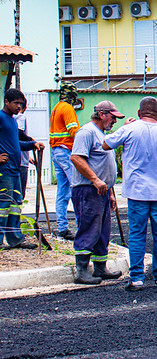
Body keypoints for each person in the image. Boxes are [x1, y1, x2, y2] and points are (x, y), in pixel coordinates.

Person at [103, 97, 157, 291]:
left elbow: (106, 144)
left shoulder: (129, 129)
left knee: (137, 234)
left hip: (137, 193)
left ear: (139, 113)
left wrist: (125, 126)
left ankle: (137, 278)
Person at [70, 101, 125, 285]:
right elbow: (77, 158)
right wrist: (95, 179)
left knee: (102, 231)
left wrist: (110, 192)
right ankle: (82, 271)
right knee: (89, 228)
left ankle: (101, 267)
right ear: (102, 114)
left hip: (101, 191)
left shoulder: (101, 134)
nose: (114, 121)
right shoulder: (86, 132)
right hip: (87, 189)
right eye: (113, 117)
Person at [0, 89, 45, 249]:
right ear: (6, 102)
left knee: (15, 205)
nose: (19, 106)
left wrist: (32, 144)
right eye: (16, 103)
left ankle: (15, 239)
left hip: (15, 169)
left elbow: (14, 144)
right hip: (4, 170)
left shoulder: (12, 120)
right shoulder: (1, 117)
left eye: (21, 104)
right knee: (3, 206)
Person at [49, 81, 80, 240]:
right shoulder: (67, 108)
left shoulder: (56, 108)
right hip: (67, 150)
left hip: (56, 151)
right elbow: (74, 131)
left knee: (62, 191)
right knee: (77, 187)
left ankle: (62, 227)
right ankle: (82, 225)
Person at [14, 100, 31, 201]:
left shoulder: (9, 118)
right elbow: (19, 134)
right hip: (21, 161)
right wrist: (31, 142)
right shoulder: (20, 117)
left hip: (17, 159)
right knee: (19, 193)